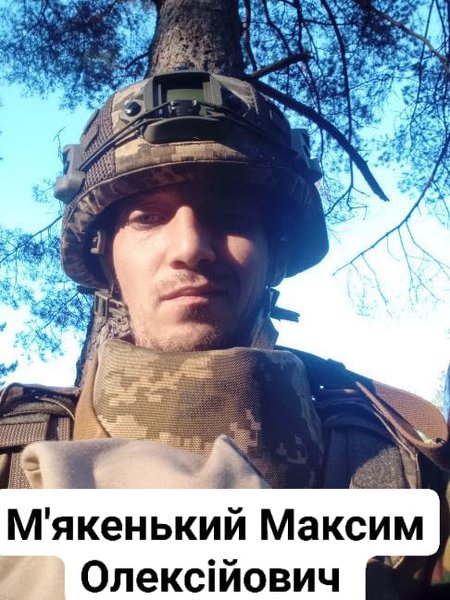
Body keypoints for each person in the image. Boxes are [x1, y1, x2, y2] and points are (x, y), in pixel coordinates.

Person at [1, 69, 449, 599]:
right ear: (105, 258)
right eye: (147, 218)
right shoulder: (12, 456)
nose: (190, 248)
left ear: (274, 254)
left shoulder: (406, 465)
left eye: (229, 217)